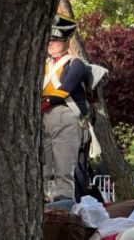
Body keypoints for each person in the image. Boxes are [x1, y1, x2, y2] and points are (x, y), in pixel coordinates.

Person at [41, 13, 89, 201]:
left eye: (56, 40)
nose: (51, 44)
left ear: (66, 42)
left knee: (63, 166)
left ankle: (63, 201)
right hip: (43, 118)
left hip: (64, 115)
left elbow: (65, 89)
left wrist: (45, 102)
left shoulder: (75, 63)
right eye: (49, 40)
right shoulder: (43, 65)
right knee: (42, 164)